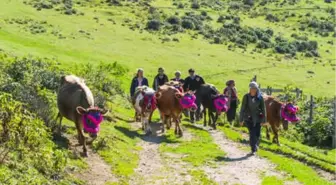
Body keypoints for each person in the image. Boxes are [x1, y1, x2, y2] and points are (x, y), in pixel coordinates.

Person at [239, 81, 266, 155]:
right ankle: (253, 148)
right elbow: (242, 108)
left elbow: (263, 109)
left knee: (257, 134)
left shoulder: (260, 98)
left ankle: (255, 145)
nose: (253, 90)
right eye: (252, 88)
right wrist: (241, 119)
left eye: (255, 88)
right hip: (249, 118)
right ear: (250, 89)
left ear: (257, 89)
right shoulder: (246, 97)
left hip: (258, 118)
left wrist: (264, 120)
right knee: (252, 133)